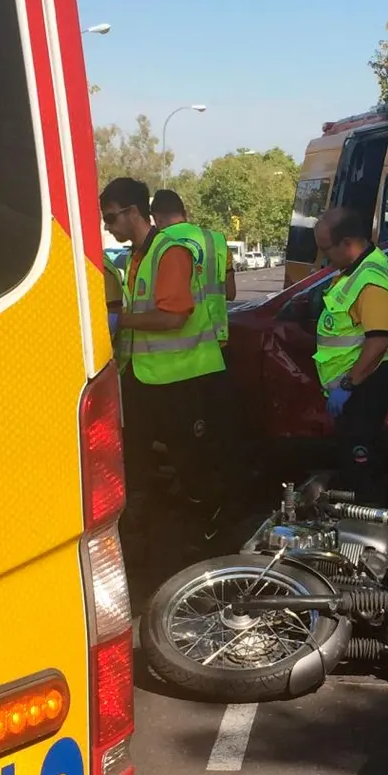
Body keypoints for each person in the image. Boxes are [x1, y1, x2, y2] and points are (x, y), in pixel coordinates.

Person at [100, 176, 225, 548]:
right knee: (137, 457)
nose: (107, 227)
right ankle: (149, 527)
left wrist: (119, 320)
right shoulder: (138, 256)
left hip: (183, 378)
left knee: (192, 464)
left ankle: (213, 525)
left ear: (133, 212)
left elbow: (174, 317)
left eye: (110, 218)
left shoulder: (169, 252)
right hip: (145, 377)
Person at [312, 205, 388, 504]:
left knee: (363, 468)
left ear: (347, 243)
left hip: (363, 388)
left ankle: (369, 534)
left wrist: (348, 385)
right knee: (353, 464)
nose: (324, 257)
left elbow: (378, 341)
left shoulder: (370, 280)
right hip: (354, 387)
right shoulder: (354, 271)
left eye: (326, 249)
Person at [149, 189, 236, 345]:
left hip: (171, 343)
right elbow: (230, 293)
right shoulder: (217, 240)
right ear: (185, 213)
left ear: (156, 218)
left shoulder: (153, 244)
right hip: (214, 339)